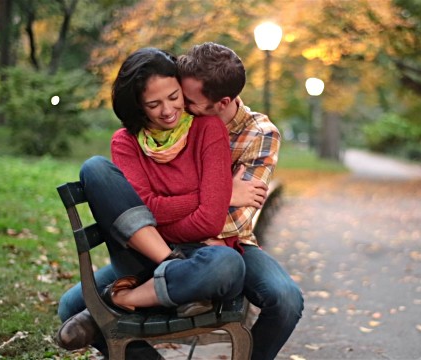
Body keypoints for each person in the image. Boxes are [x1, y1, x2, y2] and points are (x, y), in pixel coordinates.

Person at [57, 43, 303, 360]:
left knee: (282, 296)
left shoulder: (245, 132)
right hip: (151, 246)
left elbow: (218, 221)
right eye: (161, 100)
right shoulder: (136, 137)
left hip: (221, 242)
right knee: (69, 306)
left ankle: (119, 299)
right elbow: (139, 209)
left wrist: (171, 210)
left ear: (219, 103)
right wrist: (217, 194)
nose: (176, 108)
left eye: (182, 99)